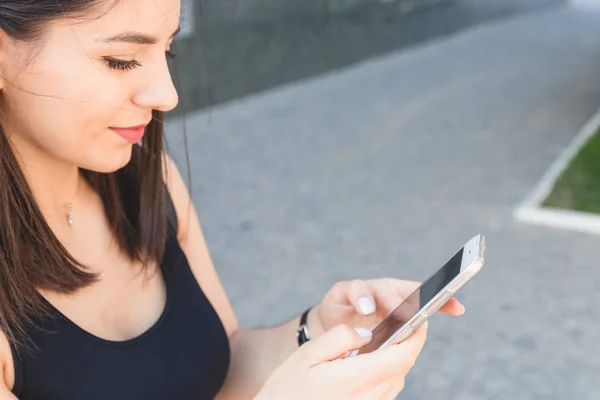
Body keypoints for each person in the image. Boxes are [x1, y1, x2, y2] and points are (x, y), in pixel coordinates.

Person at [0, 0, 466, 399]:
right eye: (122, 59)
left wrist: (316, 332)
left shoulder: (150, 181)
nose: (167, 95)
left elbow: (215, 364)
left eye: (168, 52)